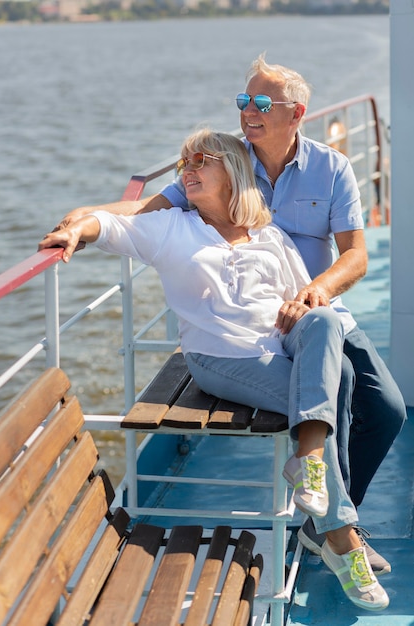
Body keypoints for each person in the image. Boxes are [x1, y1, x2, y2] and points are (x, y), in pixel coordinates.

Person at [53, 54, 406, 575]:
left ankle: (326, 516)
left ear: (296, 112)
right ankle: (334, 527)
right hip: (254, 326)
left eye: (262, 102)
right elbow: (153, 210)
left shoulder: (331, 168)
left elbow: (356, 255)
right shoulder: (226, 161)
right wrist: (87, 217)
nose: (248, 111)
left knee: (388, 410)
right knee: (339, 385)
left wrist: (315, 290)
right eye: (243, 101)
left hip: (317, 310)